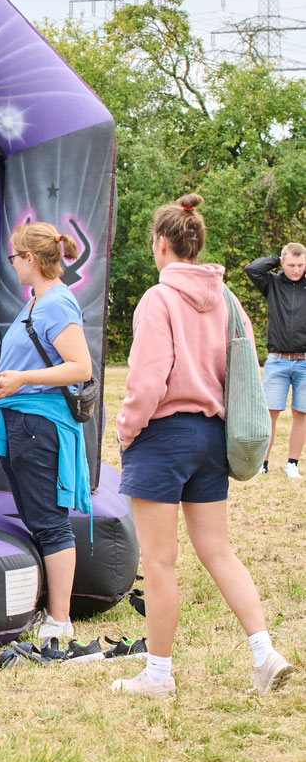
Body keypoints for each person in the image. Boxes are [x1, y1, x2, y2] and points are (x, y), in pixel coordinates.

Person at [113, 194, 294, 699]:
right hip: (213, 435)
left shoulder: (158, 298)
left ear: (162, 243)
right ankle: (264, 653)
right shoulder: (229, 298)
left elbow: (147, 380)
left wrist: (127, 429)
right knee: (219, 551)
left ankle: (158, 675)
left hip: (164, 437)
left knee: (160, 563)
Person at [0, 223, 95, 658]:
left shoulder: (56, 304)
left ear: (31, 260)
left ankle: (59, 621)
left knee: (49, 522)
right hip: (23, 423)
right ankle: (54, 614)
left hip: (38, 425)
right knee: (40, 517)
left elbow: (80, 367)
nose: (12, 264)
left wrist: (23, 379)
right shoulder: (40, 302)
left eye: (15, 257)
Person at [245, 243, 306, 478]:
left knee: (301, 413)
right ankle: (263, 463)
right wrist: (277, 258)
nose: (296, 270)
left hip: (304, 360)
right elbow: (252, 269)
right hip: (277, 359)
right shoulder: (272, 283)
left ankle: (292, 464)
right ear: (283, 263)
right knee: (269, 412)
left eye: (301, 265)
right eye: (291, 265)